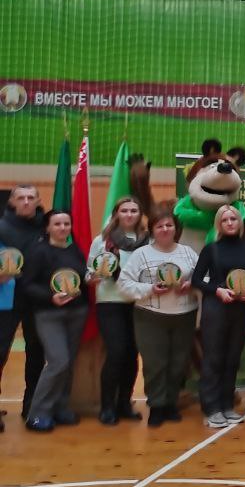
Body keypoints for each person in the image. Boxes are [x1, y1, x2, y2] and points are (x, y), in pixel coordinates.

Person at [117, 205, 199, 428]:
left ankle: (171, 404)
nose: (165, 229)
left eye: (169, 225)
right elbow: (124, 285)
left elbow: (205, 277)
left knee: (178, 363)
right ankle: (157, 406)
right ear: (152, 229)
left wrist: (192, 285)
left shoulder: (188, 253)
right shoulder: (141, 254)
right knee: (155, 363)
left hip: (184, 315)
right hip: (150, 317)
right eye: (160, 226)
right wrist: (150, 289)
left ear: (176, 228)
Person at [19, 210, 90, 432]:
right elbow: (27, 285)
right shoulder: (38, 251)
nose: (62, 228)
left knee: (68, 364)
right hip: (49, 315)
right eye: (57, 224)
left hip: (76, 313)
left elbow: (81, 278)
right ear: (48, 227)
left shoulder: (74, 250)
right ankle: (37, 414)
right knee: (58, 361)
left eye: (66, 224)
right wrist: (50, 297)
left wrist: (91, 279)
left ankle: (60, 407)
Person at [192, 206, 245, 429]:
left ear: (240, 222)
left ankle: (227, 405)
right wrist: (217, 290)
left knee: (232, 358)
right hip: (216, 308)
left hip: (241, 309)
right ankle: (211, 408)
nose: (230, 223)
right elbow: (196, 279)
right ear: (219, 225)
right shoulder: (211, 249)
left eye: (233, 219)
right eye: (225, 220)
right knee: (214, 358)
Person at [87, 196, 147, 425]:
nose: (129, 214)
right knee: (116, 352)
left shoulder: (147, 240)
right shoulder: (102, 241)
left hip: (137, 303)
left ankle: (124, 403)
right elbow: (89, 271)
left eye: (134, 210)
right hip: (110, 302)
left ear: (140, 215)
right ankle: (107, 407)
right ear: (116, 214)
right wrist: (92, 277)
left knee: (132, 354)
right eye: (124, 210)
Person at [0, 184, 47, 421]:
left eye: (31, 197)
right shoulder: (1, 227)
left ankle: (32, 406)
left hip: (37, 299)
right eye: (21, 198)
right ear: (12, 202)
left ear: (38, 201)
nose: (26, 202)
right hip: (6, 301)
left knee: (36, 353)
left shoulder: (47, 228)